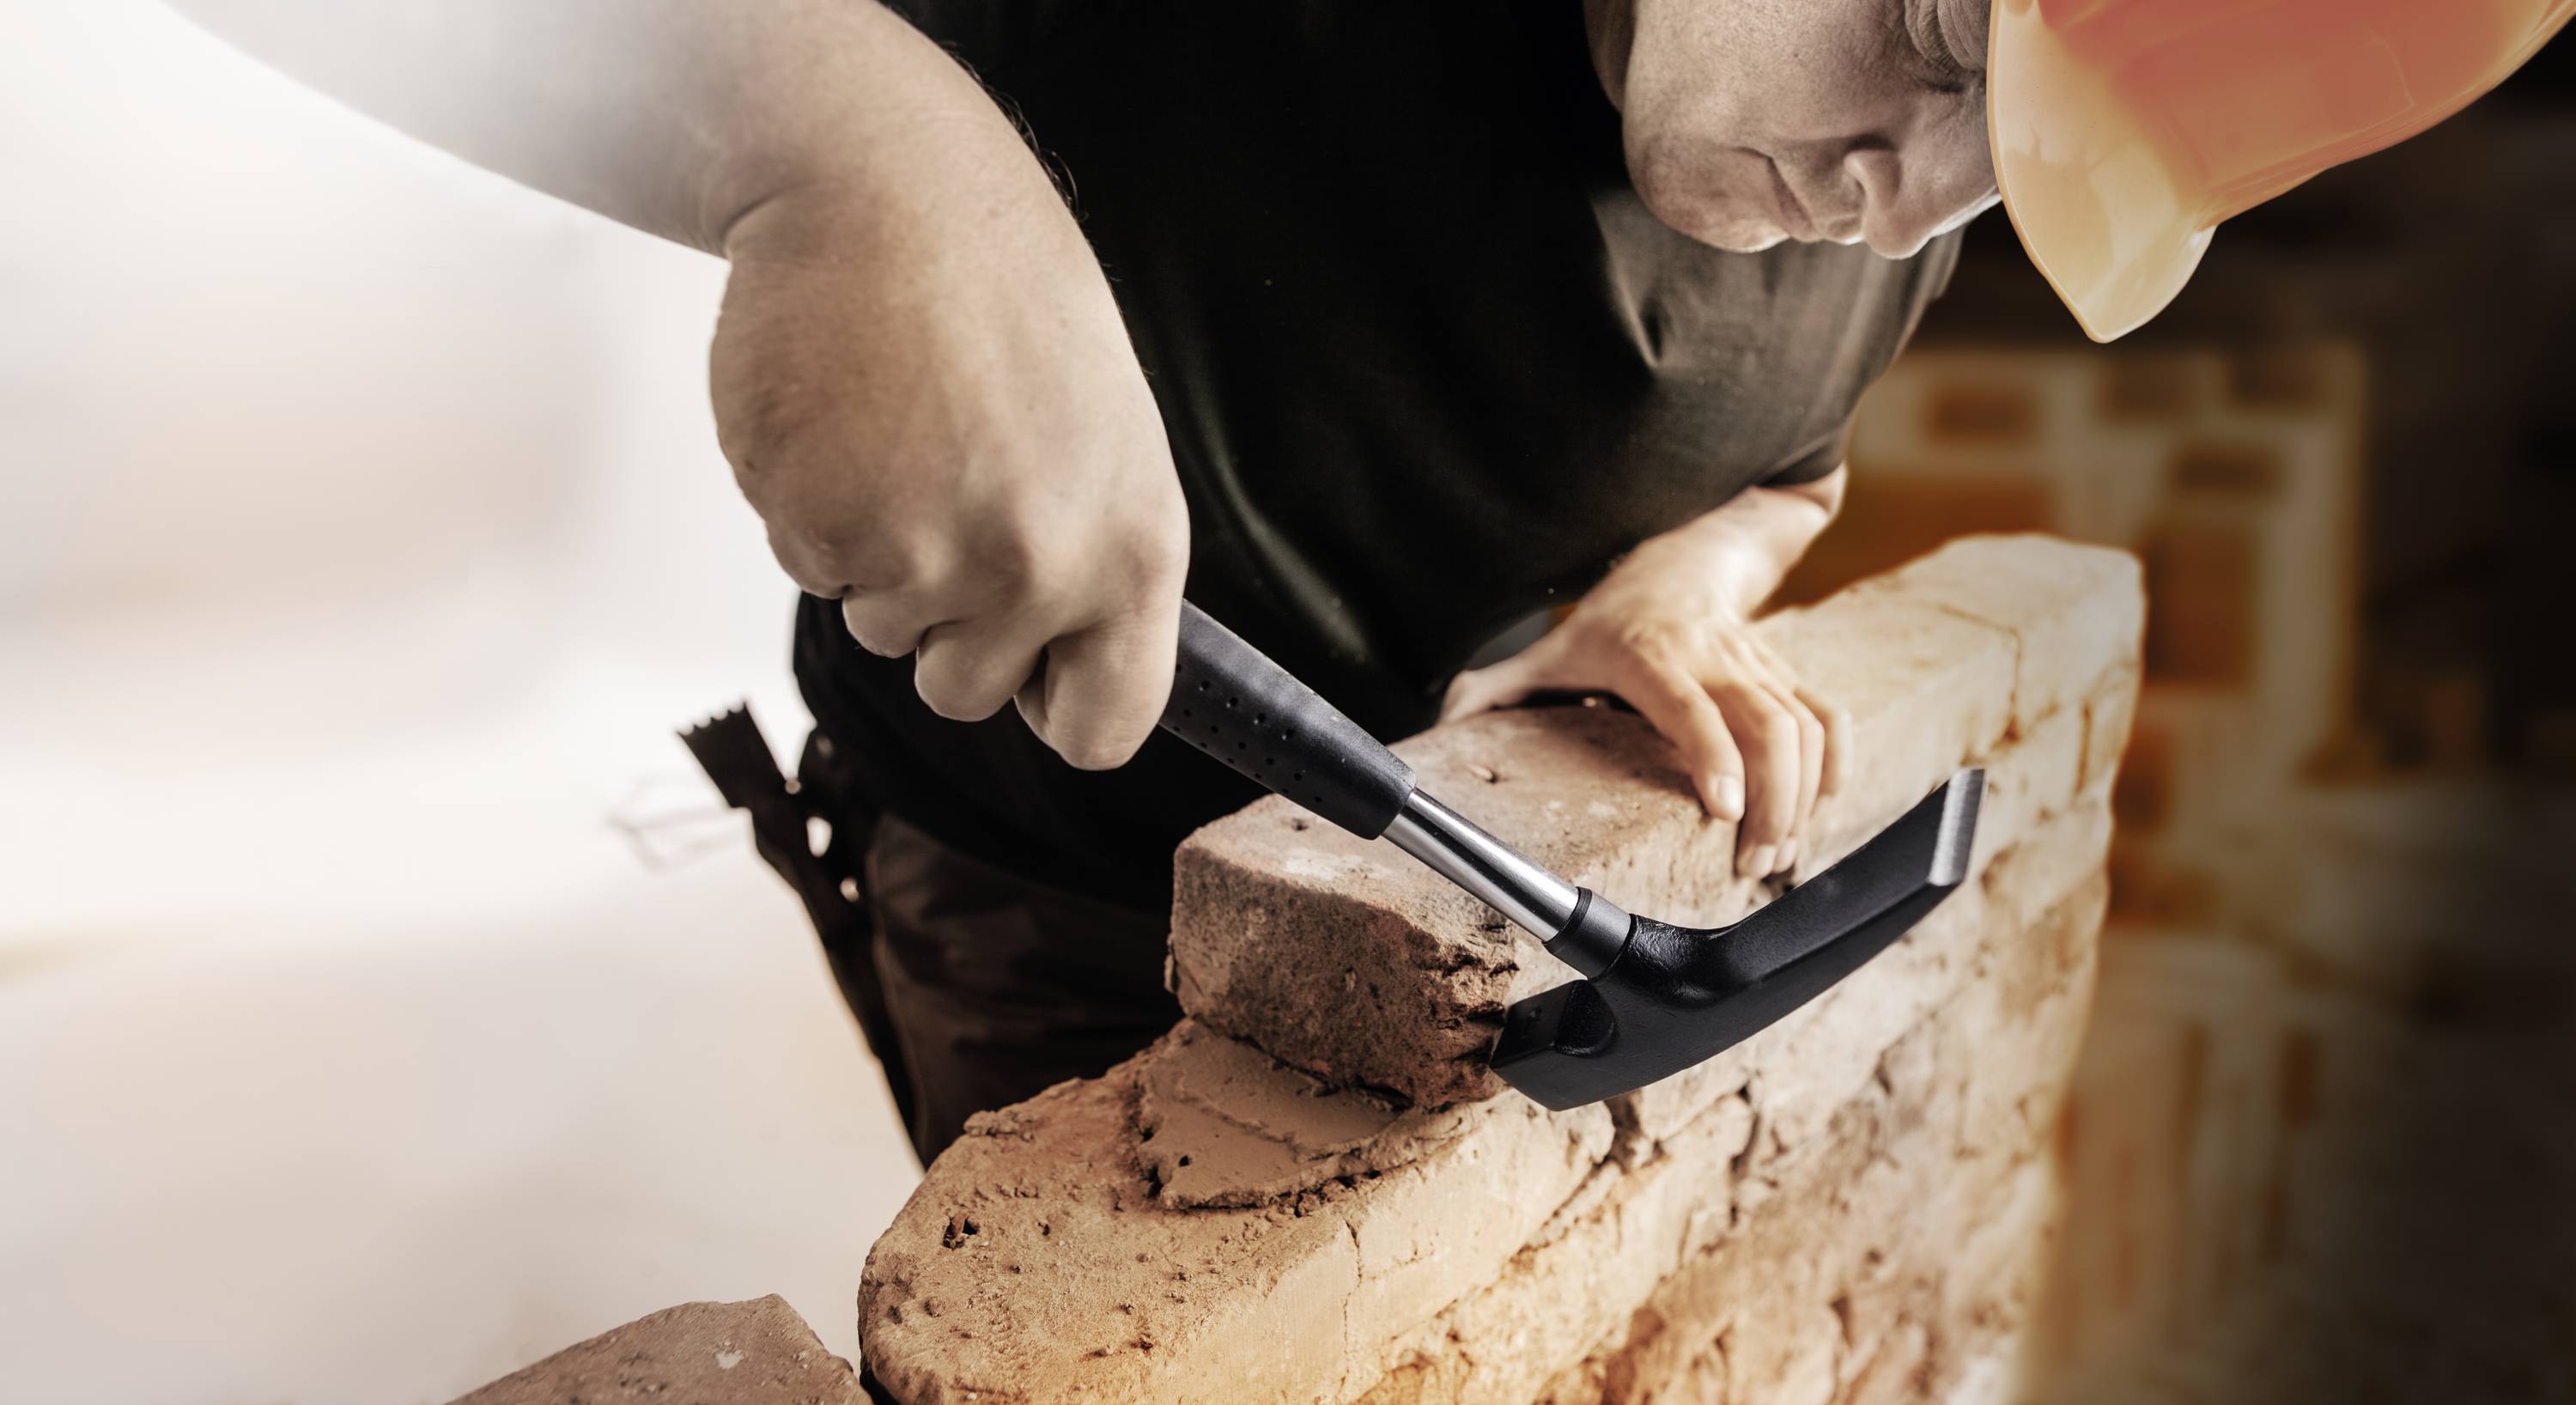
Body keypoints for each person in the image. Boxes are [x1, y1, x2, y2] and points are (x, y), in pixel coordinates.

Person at [170, 0, 2568, 1164]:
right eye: (1936, 35)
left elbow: (1789, 466)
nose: (1901, 188)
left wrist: (1683, 581)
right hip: (1044, 877)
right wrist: (814, 126)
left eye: (2010, 177)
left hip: (1393, 899)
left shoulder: (1874, 216)